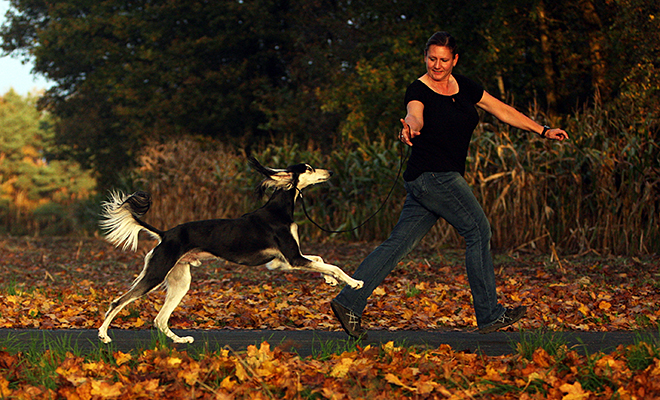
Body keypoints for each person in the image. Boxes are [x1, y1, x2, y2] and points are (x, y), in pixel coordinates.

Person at [330, 31, 569, 338]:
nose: (437, 65)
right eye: (432, 58)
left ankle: (349, 301)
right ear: (425, 57)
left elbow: (501, 110)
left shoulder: (465, 86)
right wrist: (409, 128)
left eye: (444, 59)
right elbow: (414, 115)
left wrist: (542, 130)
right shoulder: (418, 89)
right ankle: (490, 313)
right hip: (434, 176)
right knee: (478, 230)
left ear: (455, 59)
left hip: (425, 181)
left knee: (398, 244)